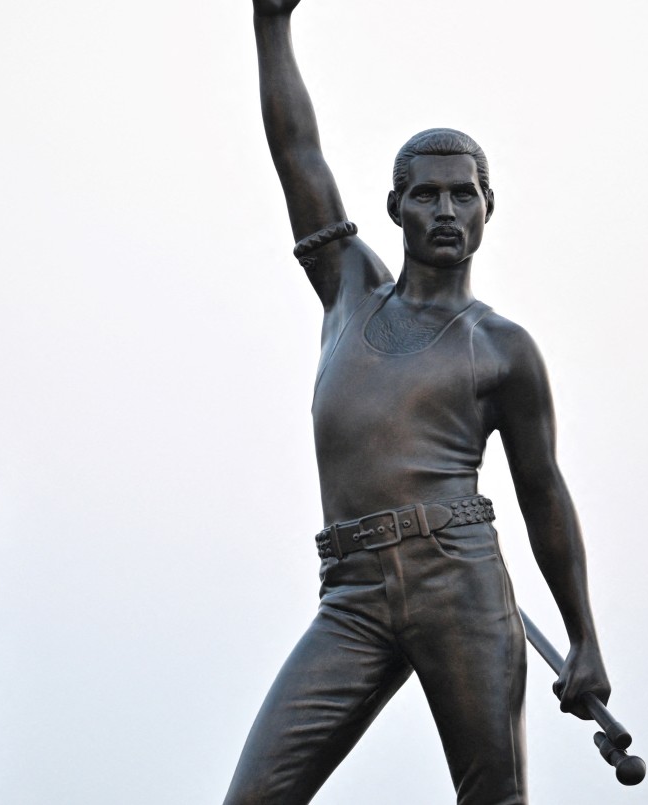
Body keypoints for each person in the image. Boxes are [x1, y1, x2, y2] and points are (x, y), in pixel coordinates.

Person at [225, 2, 612, 803]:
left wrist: (584, 638)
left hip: (458, 582)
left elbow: (543, 492)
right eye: (427, 195)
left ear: (487, 208)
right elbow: (296, 149)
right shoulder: (350, 294)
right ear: (395, 206)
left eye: (463, 195)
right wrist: (271, 24)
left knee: (493, 798)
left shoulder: (502, 347)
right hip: (354, 591)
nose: (445, 211)